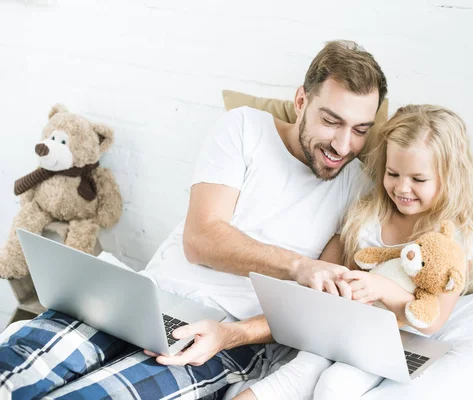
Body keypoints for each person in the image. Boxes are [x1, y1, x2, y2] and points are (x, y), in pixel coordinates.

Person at [0, 40, 387, 399]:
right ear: (301, 100)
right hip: (146, 296)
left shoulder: (358, 190)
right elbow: (201, 240)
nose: (343, 145)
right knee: (14, 368)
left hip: (226, 337)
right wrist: (298, 265)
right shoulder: (244, 128)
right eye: (332, 121)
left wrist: (229, 335)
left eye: (360, 131)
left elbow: (317, 306)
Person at [234, 104, 473, 400]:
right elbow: (327, 268)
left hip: (395, 339)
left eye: (418, 180)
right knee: (300, 370)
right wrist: (337, 285)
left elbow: (433, 321)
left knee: (336, 384)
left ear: (449, 177)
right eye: (393, 173)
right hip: (347, 324)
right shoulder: (368, 215)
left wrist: (382, 289)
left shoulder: (455, 239)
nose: (402, 188)